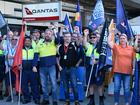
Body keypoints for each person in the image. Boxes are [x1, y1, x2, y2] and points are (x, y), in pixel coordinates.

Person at [108, 32, 136, 105]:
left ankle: (127, 102)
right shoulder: (116, 47)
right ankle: (116, 102)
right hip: (117, 71)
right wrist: (110, 33)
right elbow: (109, 43)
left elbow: (133, 60)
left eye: (124, 38)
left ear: (127, 40)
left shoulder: (131, 48)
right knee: (116, 88)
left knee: (126, 88)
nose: (122, 39)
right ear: (119, 40)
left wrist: (133, 69)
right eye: (121, 38)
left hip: (127, 72)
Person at [34, 28, 59, 105]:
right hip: (42, 67)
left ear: (51, 35)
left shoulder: (54, 42)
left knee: (54, 84)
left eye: (49, 34)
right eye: (46, 33)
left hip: (52, 67)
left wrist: (55, 32)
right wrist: (34, 65)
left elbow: (59, 40)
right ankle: (46, 99)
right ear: (44, 34)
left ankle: (55, 101)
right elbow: (36, 55)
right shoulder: (40, 43)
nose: (47, 35)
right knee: (43, 85)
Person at [57, 32, 80, 105]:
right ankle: (67, 101)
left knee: (74, 85)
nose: (67, 38)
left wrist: (77, 64)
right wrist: (59, 66)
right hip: (63, 69)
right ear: (63, 37)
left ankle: (76, 101)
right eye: (65, 36)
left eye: (68, 36)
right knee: (65, 86)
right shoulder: (59, 47)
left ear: (71, 37)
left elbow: (79, 42)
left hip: (72, 68)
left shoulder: (74, 45)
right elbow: (57, 57)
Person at [83, 29, 105, 105]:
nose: (92, 39)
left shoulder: (101, 47)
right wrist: (85, 35)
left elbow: (103, 58)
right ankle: (92, 101)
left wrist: (97, 61)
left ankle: (101, 101)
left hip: (98, 67)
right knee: (90, 84)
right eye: (91, 37)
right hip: (89, 67)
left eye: (94, 37)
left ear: (97, 38)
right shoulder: (89, 45)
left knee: (99, 85)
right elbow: (84, 43)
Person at [21, 36, 40, 104]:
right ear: (24, 42)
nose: (27, 42)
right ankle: (27, 98)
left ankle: (36, 98)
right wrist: (19, 65)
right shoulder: (20, 49)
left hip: (32, 69)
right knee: (24, 85)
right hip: (23, 70)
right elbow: (18, 59)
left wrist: (34, 66)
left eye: (29, 41)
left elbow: (35, 58)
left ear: (31, 42)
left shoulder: (34, 49)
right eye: (26, 41)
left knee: (34, 84)